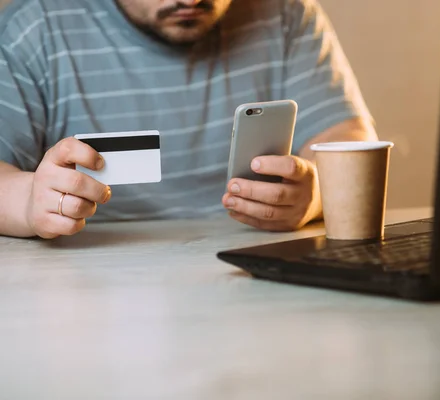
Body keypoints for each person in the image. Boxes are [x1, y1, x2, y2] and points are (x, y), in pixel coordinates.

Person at [0, 0, 377, 239]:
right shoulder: (33, 26)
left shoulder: (286, 13)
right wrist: (29, 201)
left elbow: (348, 138)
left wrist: (315, 196)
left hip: (254, 269)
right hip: (91, 282)